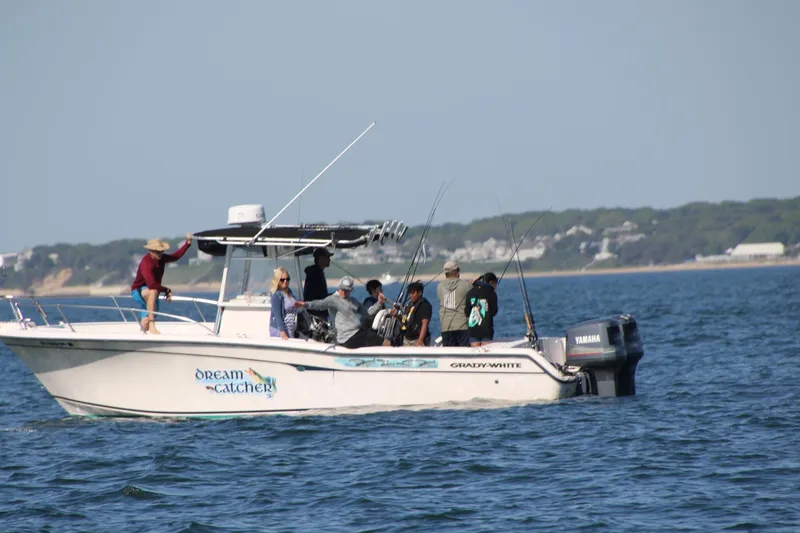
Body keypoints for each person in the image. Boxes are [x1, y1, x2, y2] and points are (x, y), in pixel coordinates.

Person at [131, 233, 193, 334]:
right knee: (153, 292)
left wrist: (188, 243)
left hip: (152, 292)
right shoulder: (147, 263)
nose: (160, 253)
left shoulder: (161, 258)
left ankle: (145, 330)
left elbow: (176, 256)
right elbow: (152, 285)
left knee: (146, 320)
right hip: (138, 291)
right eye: (157, 251)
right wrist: (167, 290)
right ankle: (152, 325)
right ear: (151, 251)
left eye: (162, 251)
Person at [305, 276, 387, 348]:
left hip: (358, 333)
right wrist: (305, 304)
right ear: (339, 287)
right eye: (342, 289)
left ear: (351, 290)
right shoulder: (333, 299)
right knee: (385, 343)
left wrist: (379, 303)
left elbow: (368, 314)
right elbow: (319, 304)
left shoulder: (353, 301)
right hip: (348, 337)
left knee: (383, 340)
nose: (344, 292)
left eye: (347, 290)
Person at [436, 260, 471, 347]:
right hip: (462, 325)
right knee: (463, 354)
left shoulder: (439, 287)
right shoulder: (466, 285)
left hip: (446, 326)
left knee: (449, 354)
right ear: (457, 272)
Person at [269, 267, 306, 340]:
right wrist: (283, 333)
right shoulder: (276, 296)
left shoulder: (291, 295)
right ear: (278, 280)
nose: (285, 281)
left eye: (287, 279)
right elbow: (278, 316)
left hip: (290, 331)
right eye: (282, 280)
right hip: (279, 331)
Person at [464, 272, 498, 347]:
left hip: (473, 329)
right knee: (486, 355)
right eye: (496, 284)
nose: (496, 286)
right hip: (486, 328)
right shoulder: (492, 293)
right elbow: (494, 311)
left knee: (475, 355)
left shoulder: (470, 292)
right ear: (491, 282)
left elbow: (467, 311)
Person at [303, 247, 333, 321]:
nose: (330, 259)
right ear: (321, 258)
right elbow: (314, 296)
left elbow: (320, 295)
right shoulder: (316, 274)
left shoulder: (317, 273)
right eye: (328, 257)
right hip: (317, 315)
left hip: (318, 312)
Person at [402, 281, 432, 347]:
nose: (411, 295)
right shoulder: (410, 305)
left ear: (420, 293)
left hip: (417, 339)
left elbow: (425, 323)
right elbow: (404, 320)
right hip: (407, 338)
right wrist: (396, 316)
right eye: (410, 293)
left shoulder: (425, 305)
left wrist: (421, 339)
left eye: (413, 293)